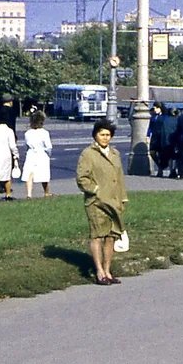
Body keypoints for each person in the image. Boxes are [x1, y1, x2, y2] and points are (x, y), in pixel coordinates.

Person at [76, 119, 128, 286]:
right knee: (98, 235)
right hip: (97, 202)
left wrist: (123, 198)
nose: (105, 138)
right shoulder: (88, 154)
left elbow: (119, 178)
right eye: (102, 134)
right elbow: (82, 178)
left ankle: (108, 270)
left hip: (114, 201)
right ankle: (99, 272)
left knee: (112, 236)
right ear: (95, 135)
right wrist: (96, 190)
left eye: (108, 135)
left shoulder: (115, 153)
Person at [22, 110, 53, 198]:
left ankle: (29, 194)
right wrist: (49, 155)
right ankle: (46, 192)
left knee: (29, 173)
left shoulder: (27, 133)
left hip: (31, 154)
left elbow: (27, 145)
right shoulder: (44, 133)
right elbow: (48, 147)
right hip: (42, 154)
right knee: (44, 174)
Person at [156, 105, 178, 177]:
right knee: (173, 158)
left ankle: (160, 171)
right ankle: (172, 171)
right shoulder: (177, 120)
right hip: (174, 142)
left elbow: (162, 132)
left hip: (165, 142)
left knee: (163, 158)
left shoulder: (165, 120)